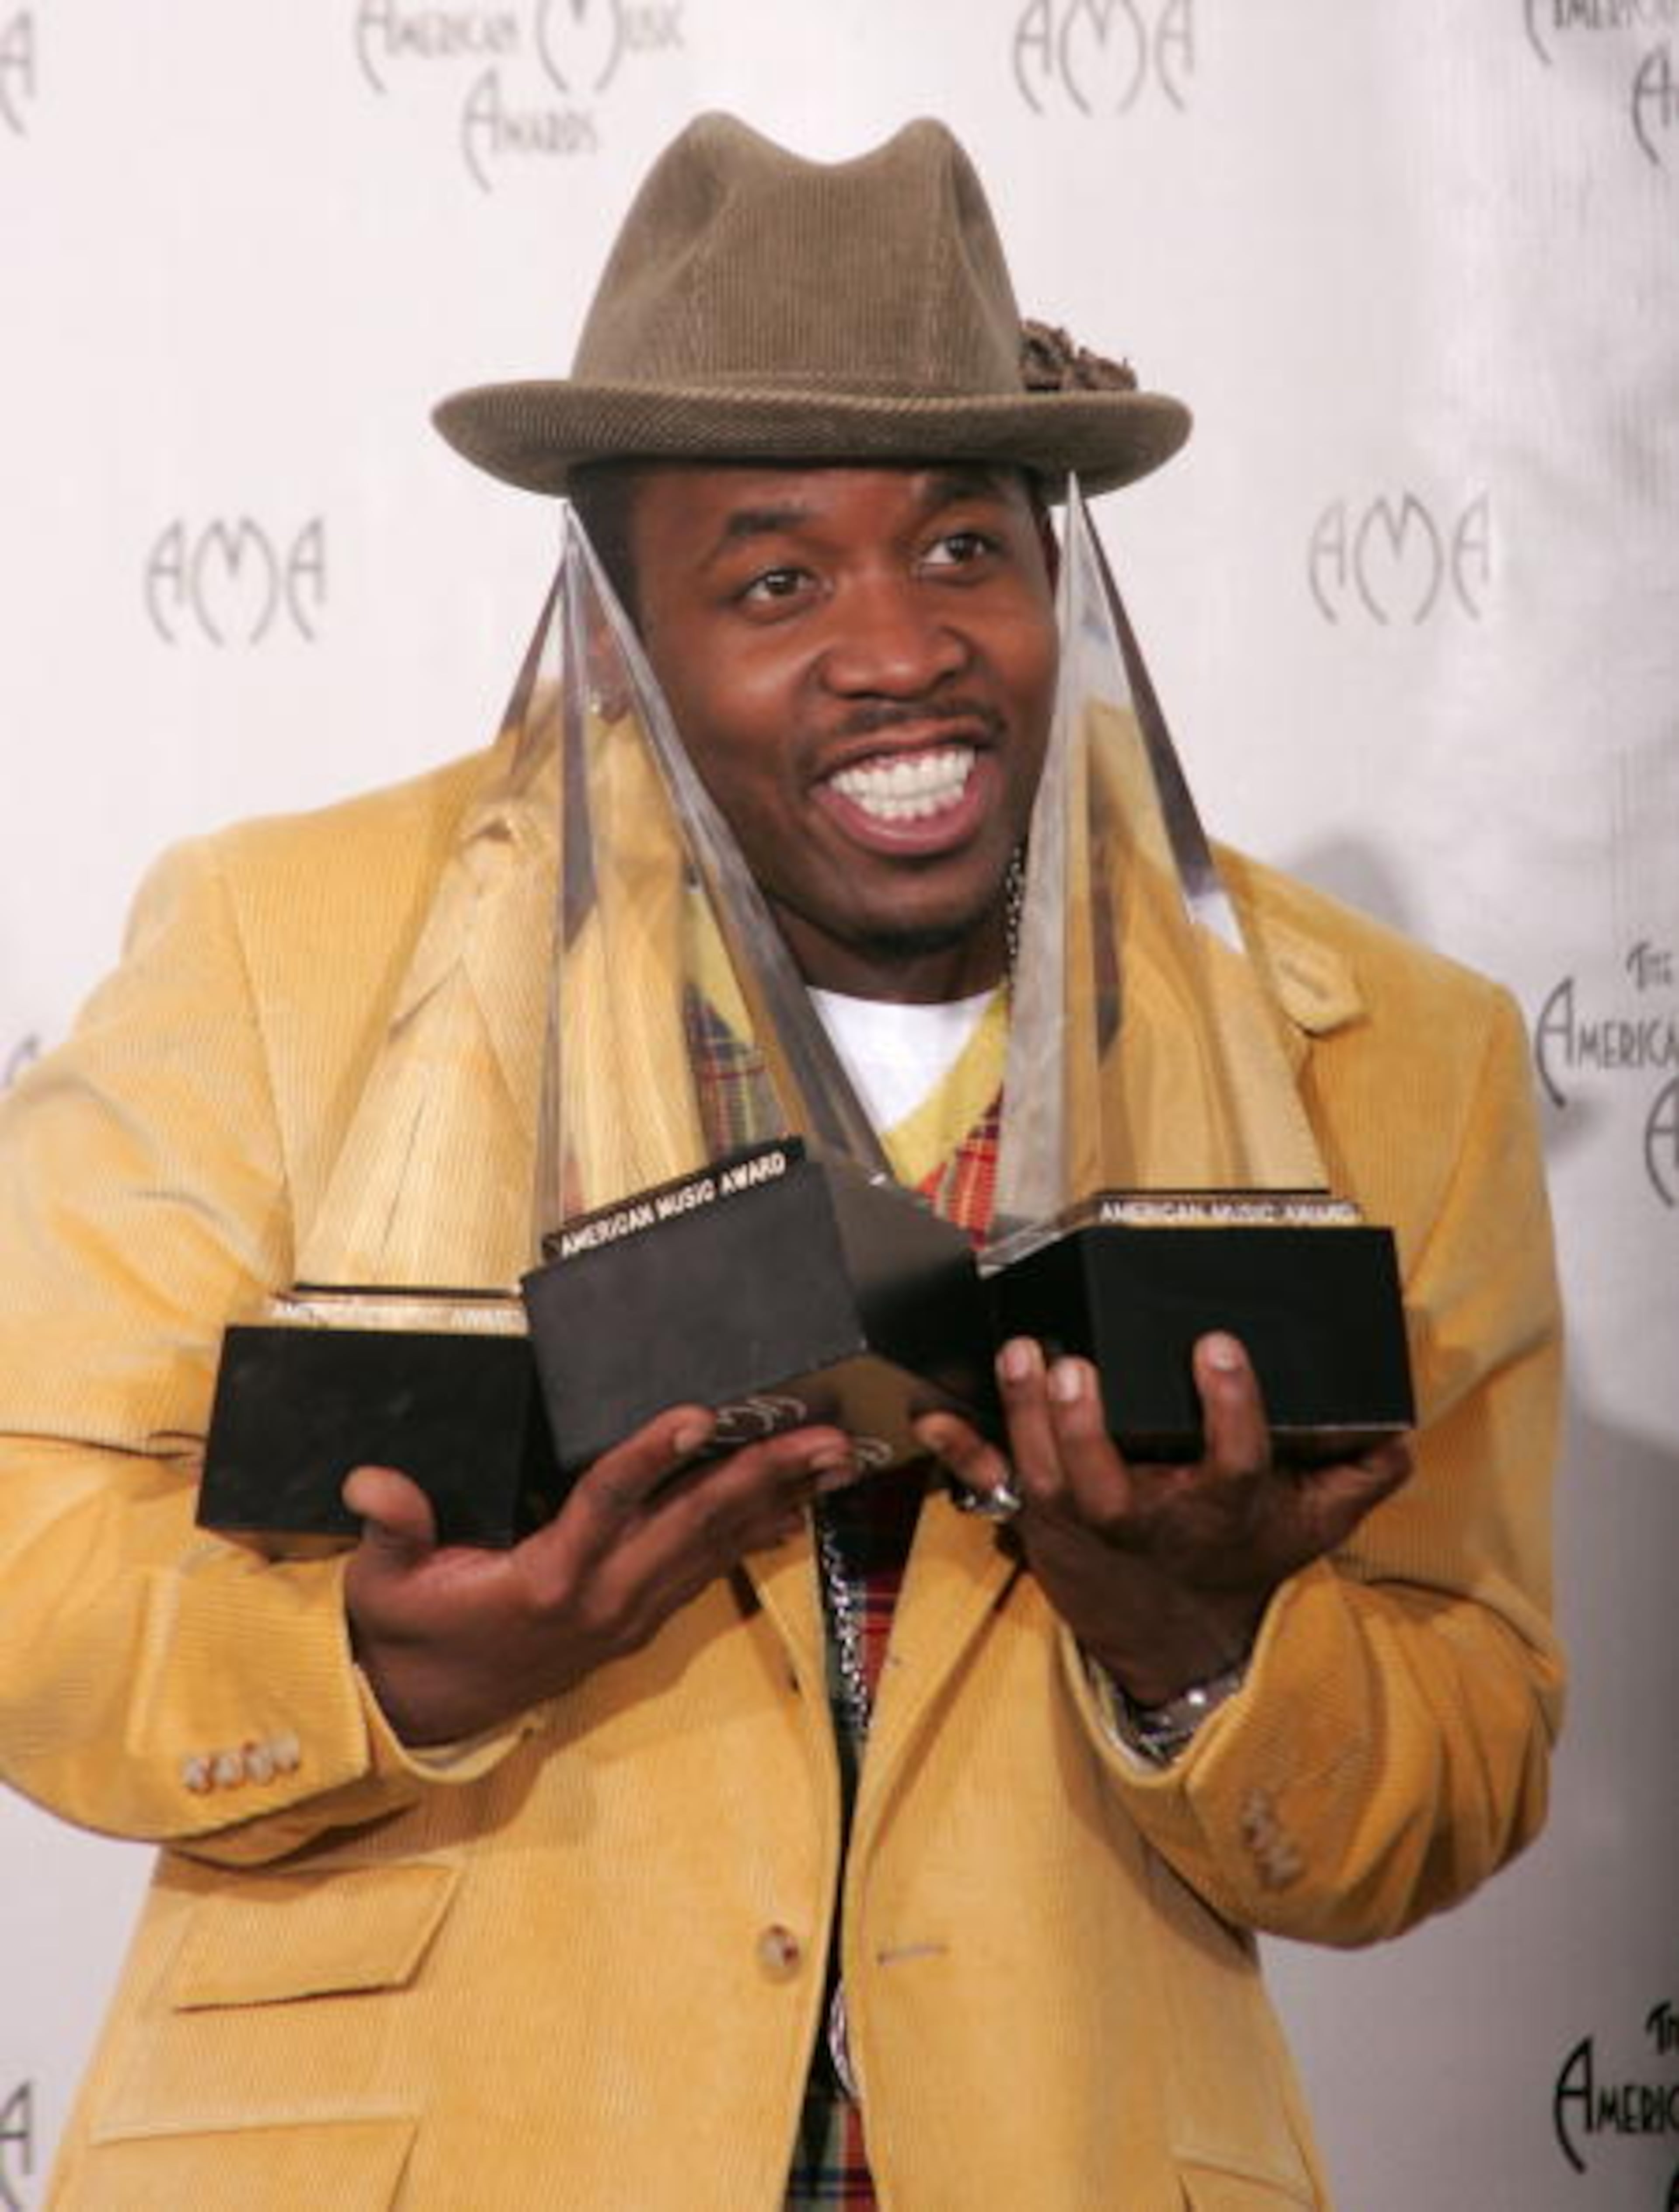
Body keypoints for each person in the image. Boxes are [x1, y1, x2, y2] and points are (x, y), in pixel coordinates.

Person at [0, 114, 1561, 2209]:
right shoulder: (286, 952)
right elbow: (25, 1537)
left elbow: (1465, 1746)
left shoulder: (1389, 1055)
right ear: (619, 636)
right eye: (776, 577)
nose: (901, 647)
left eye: (964, 549)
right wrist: (380, 1668)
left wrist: (1199, 1649)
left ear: (1062, 570)